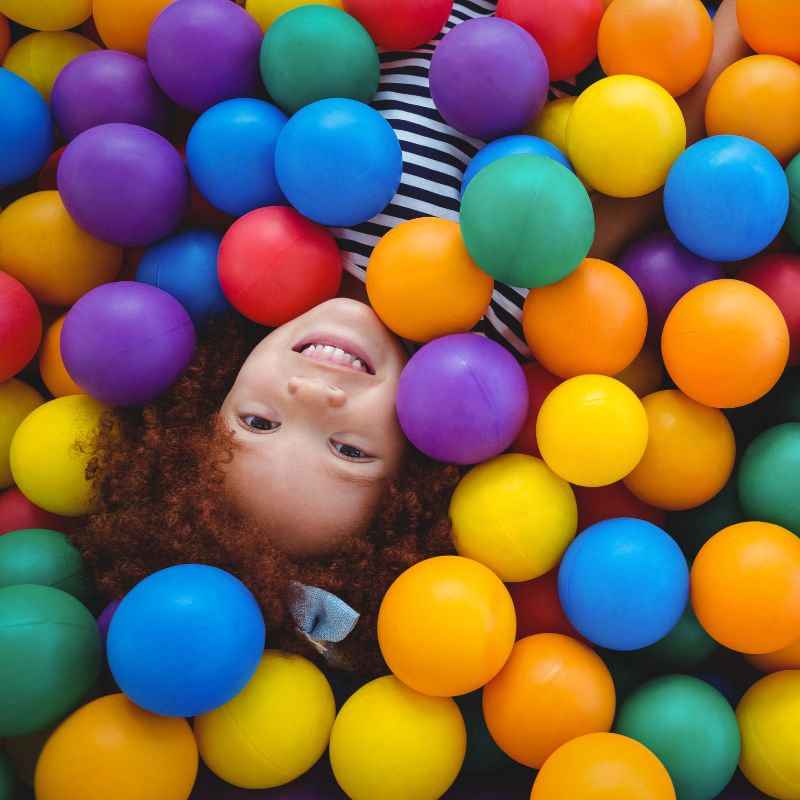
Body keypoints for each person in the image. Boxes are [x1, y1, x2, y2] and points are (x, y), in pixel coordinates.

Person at [69, 0, 747, 679]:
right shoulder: (507, 312)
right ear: (421, 460)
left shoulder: (262, 242)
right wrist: (739, 28)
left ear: (209, 394)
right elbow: (651, 168)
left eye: (259, 420)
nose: (313, 394)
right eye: (348, 449)